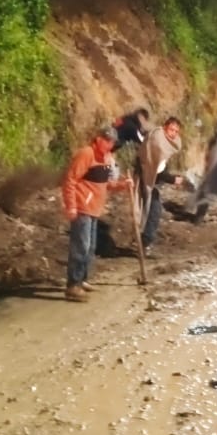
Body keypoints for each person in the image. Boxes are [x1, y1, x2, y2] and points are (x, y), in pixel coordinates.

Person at [62, 126, 134, 301]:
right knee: (81, 246)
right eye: (106, 140)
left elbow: (107, 184)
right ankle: (73, 285)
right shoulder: (86, 154)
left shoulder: (107, 159)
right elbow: (70, 180)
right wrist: (71, 206)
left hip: (95, 208)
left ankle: (83, 278)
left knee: (91, 246)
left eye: (111, 142)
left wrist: (123, 185)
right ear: (98, 139)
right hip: (82, 207)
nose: (109, 145)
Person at [137, 117, 181, 257]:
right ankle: (144, 244)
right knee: (154, 210)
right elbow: (155, 169)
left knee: (150, 211)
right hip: (144, 179)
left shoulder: (164, 143)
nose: (173, 133)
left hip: (151, 180)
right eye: (171, 129)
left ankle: (144, 243)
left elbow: (160, 168)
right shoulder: (158, 141)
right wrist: (173, 179)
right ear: (164, 127)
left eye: (176, 131)